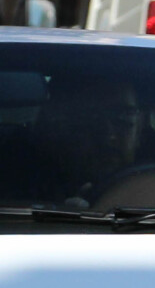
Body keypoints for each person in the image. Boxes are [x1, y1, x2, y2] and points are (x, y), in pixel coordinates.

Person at [31, 73, 146, 203]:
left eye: (124, 117)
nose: (108, 136)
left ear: (139, 130)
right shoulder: (24, 192)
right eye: (90, 119)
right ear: (60, 127)